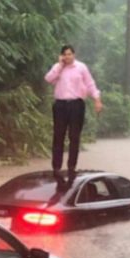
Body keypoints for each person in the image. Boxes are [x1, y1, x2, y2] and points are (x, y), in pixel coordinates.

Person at [45, 44, 103, 181]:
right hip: (60, 105)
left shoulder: (81, 67)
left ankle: (72, 166)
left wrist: (97, 100)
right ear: (61, 56)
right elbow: (48, 79)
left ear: (74, 55)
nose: (67, 57)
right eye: (64, 54)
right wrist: (59, 66)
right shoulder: (57, 67)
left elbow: (90, 84)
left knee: (74, 136)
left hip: (76, 104)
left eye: (69, 54)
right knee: (58, 135)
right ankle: (56, 166)